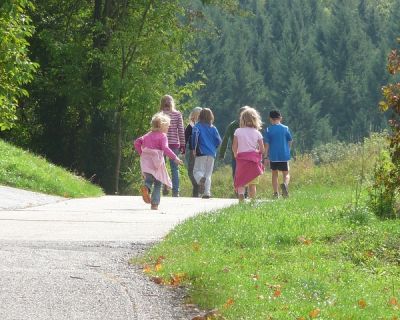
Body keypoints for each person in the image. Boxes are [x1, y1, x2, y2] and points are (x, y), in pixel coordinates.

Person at [134, 112, 183, 210]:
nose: (168, 129)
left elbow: (136, 142)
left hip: (146, 161)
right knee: (158, 182)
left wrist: (142, 153)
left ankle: (146, 188)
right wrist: (175, 158)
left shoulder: (147, 135)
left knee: (148, 180)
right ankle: (155, 204)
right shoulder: (163, 136)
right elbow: (165, 148)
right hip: (157, 162)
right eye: (168, 126)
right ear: (162, 126)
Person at [232, 107, 264, 202]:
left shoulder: (238, 131)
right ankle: (252, 201)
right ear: (255, 119)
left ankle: (241, 196)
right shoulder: (257, 133)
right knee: (252, 183)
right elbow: (262, 149)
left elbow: (234, 146)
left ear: (242, 119)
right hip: (253, 160)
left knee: (241, 180)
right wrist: (258, 153)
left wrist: (235, 154)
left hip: (241, 159)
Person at [190, 108, 222, 199]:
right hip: (211, 153)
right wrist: (213, 148)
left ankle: (200, 179)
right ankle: (207, 193)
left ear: (200, 116)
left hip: (201, 152)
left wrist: (193, 149)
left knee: (197, 171)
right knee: (208, 173)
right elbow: (219, 141)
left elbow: (194, 138)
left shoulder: (197, 126)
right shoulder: (213, 128)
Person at [263, 110, 293, 198]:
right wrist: (288, 149)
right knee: (286, 174)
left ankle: (276, 193)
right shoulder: (285, 128)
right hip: (284, 155)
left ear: (270, 119)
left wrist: (265, 157)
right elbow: (290, 140)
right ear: (280, 118)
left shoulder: (268, 130)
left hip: (273, 156)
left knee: (274, 174)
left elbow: (267, 144)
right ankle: (285, 185)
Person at [159, 95, 185, 197]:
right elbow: (181, 130)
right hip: (174, 144)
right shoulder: (177, 114)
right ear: (172, 103)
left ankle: (161, 187)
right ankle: (175, 191)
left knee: (161, 167)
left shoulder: (159, 114)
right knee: (175, 168)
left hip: (160, 144)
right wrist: (183, 145)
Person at [184, 107, 202, 197]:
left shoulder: (191, 126)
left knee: (191, 172)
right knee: (199, 171)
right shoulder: (206, 126)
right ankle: (197, 190)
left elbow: (185, 139)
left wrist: (182, 151)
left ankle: (197, 186)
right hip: (204, 152)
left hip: (194, 152)